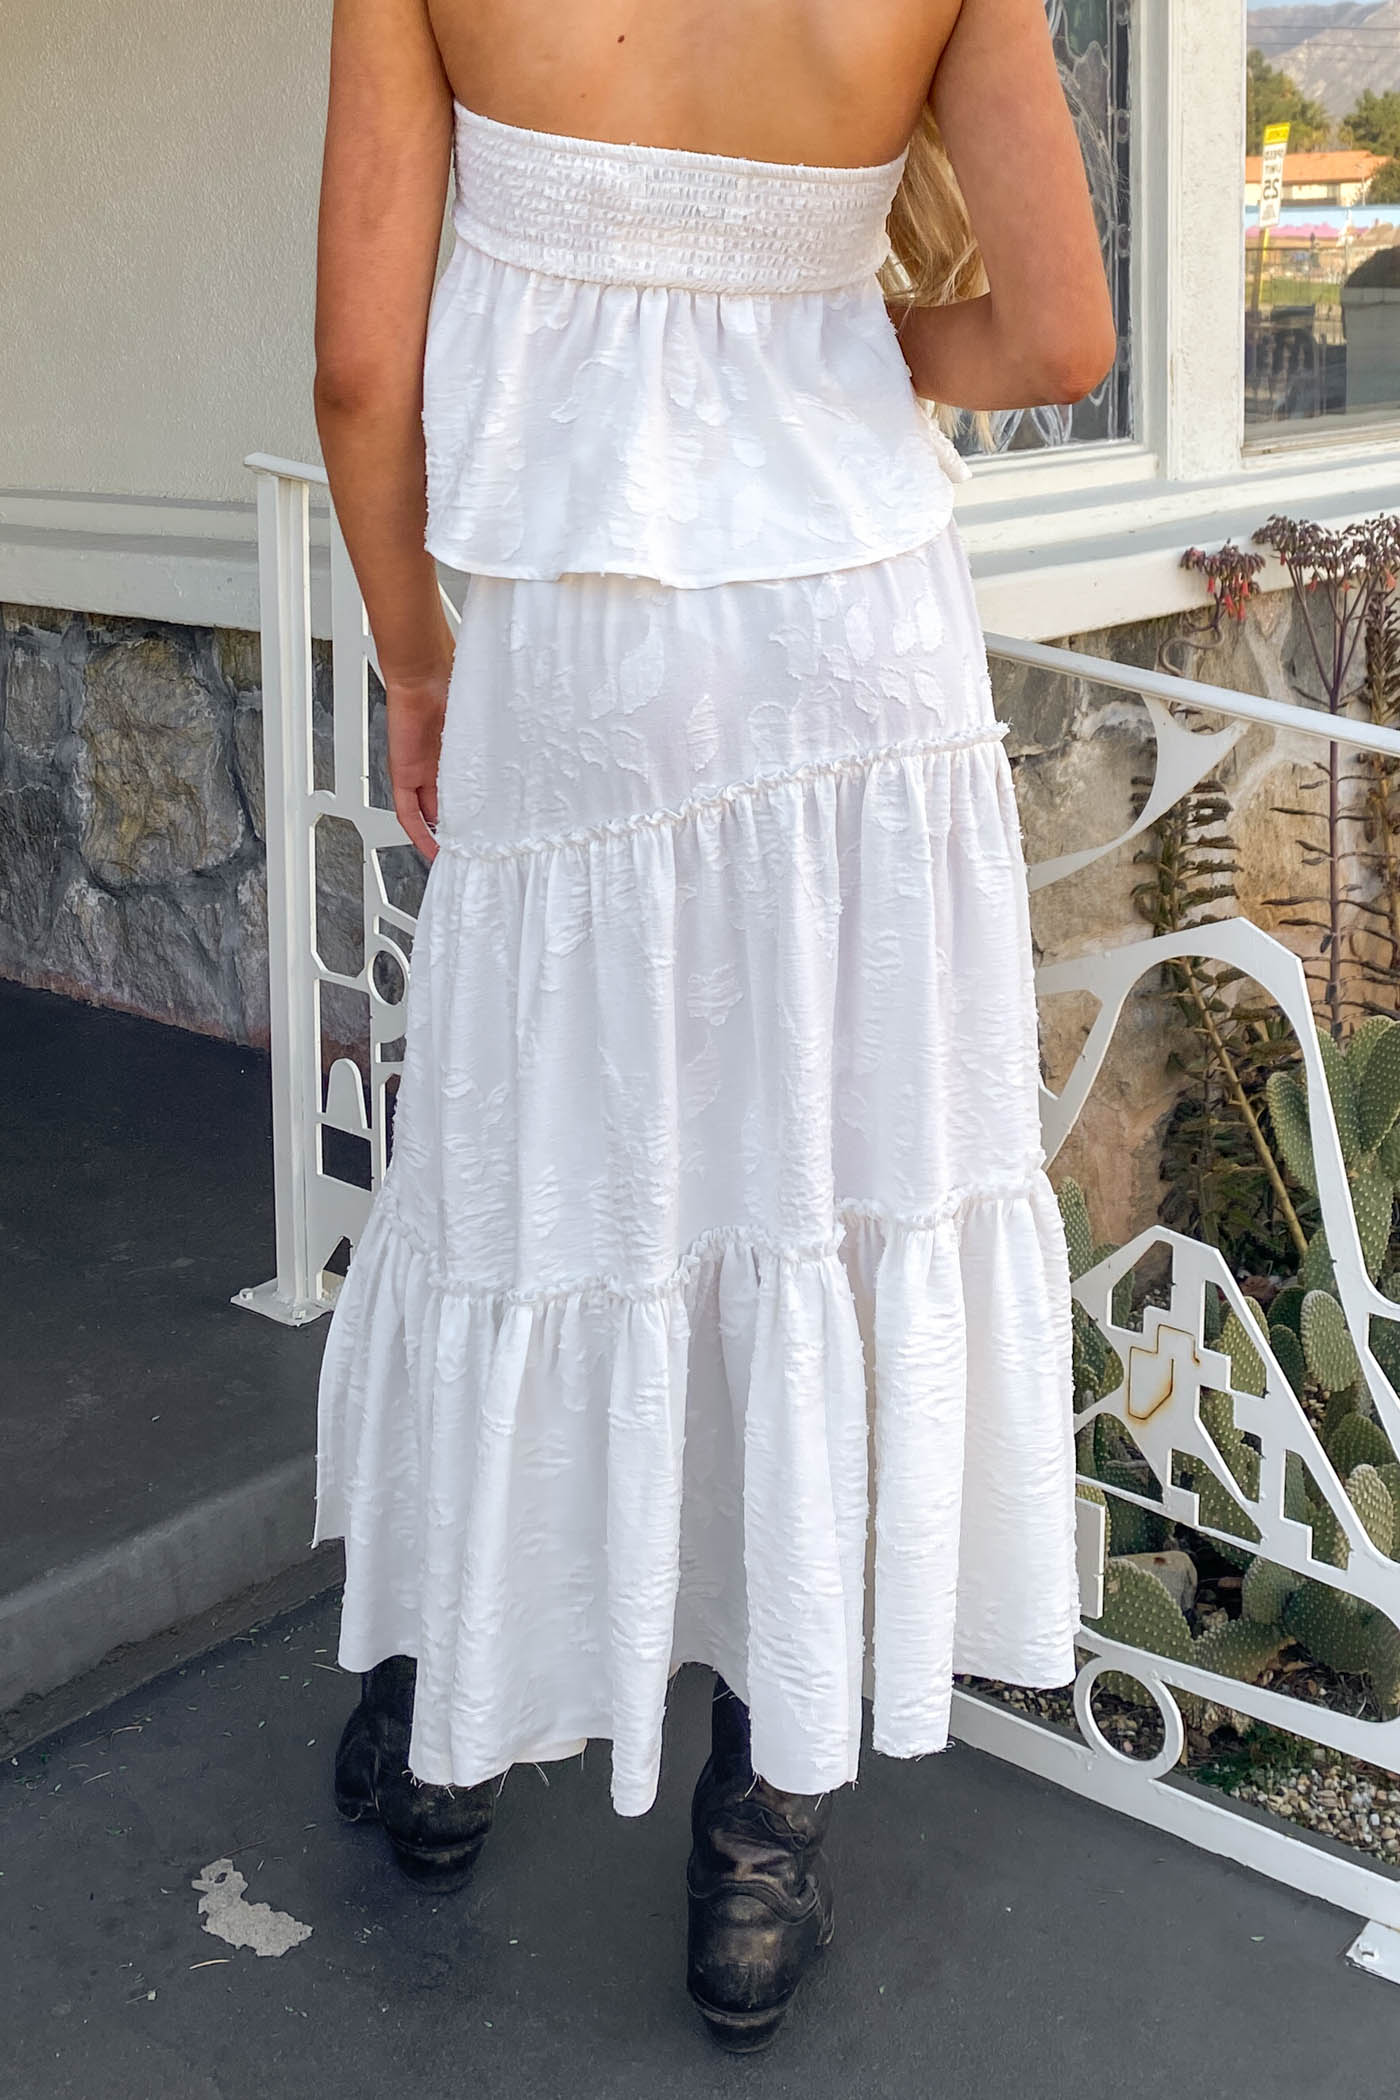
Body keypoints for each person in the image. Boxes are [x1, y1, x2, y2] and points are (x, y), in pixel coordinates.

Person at [311, 0, 1114, 2052]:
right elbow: (1058, 344)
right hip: (858, 655)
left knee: (530, 1184)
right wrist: (840, 351)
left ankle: (443, 1739)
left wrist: (415, 660)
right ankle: (761, 1842)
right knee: (829, 1204)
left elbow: (357, 377)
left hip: (579, 658)